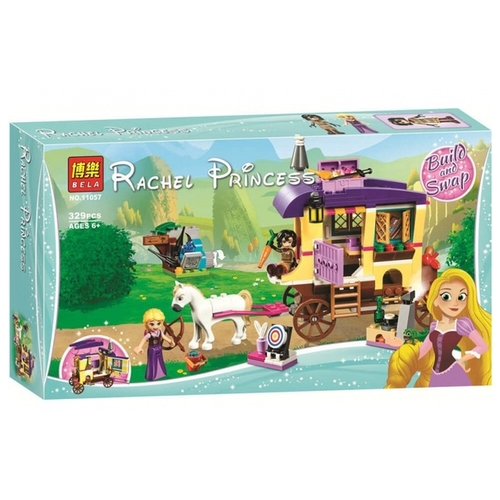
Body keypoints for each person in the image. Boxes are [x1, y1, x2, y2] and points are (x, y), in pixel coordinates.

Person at [385, 268, 491, 388]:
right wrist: (402, 345)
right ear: (435, 300)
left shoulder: (462, 324)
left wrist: (463, 359)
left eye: (461, 297)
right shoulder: (434, 326)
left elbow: (483, 346)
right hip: (436, 374)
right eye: (446, 297)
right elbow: (423, 351)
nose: (455, 303)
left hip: (453, 373)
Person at [134, 308, 174, 381]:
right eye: (152, 324)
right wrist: (139, 347)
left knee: (160, 360)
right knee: (152, 362)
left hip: (159, 348)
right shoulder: (149, 334)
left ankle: (161, 373)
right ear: (147, 324)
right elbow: (143, 340)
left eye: (158, 323)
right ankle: (152, 376)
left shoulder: (160, 332)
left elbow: (164, 337)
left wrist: (170, 341)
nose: (155, 326)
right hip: (152, 349)